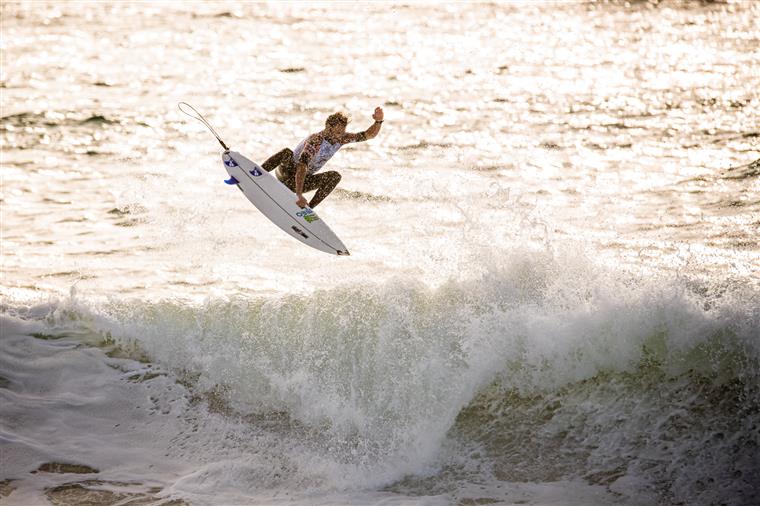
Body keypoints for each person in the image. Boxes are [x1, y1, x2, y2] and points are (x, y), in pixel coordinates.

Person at [261, 107, 384, 208]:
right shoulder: (316, 141)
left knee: (334, 176)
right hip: (287, 174)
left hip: (300, 182)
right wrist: (298, 194)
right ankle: (258, 173)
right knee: (287, 153)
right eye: (337, 132)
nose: (339, 136)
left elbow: (369, 135)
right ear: (328, 127)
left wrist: (378, 121)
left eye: (342, 131)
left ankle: (308, 209)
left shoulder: (342, 138)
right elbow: (302, 166)